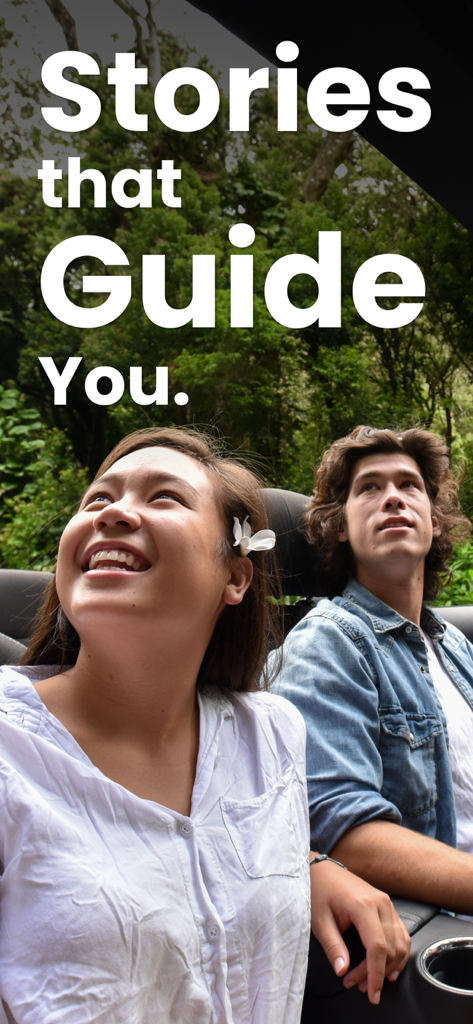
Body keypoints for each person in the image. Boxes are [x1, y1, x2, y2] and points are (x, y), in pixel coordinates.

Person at [0, 427, 409, 1024]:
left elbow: (225, 849)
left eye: (164, 496)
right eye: (97, 499)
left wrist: (309, 866)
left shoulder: (274, 732)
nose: (112, 512)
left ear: (236, 577)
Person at [271, 425, 473, 921]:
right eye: (369, 488)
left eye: (409, 485)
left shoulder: (455, 646)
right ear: (340, 525)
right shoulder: (329, 640)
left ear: (434, 521)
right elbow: (338, 828)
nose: (393, 498)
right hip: (443, 929)